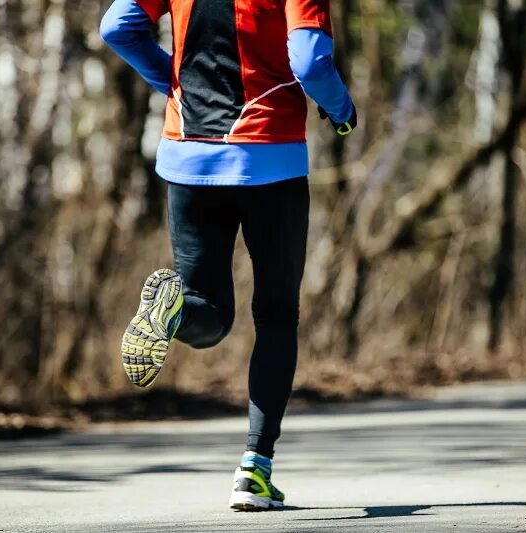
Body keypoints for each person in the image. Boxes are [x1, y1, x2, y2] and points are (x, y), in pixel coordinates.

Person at [100, 0, 356, 511]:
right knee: (277, 315)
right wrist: (342, 109)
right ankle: (254, 470)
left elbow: (116, 28)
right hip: (271, 160)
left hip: (186, 155)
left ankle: (173, 312)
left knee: (209, 313)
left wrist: (168, 84)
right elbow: (308, 60)